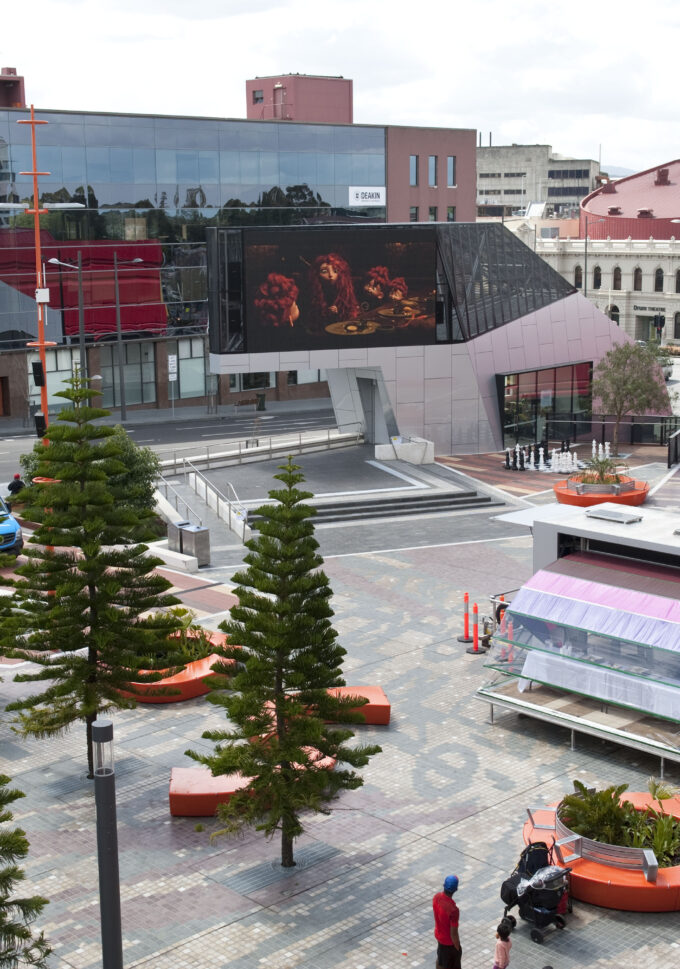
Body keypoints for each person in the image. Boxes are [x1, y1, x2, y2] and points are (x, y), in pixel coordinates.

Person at [309, 252, 359, 324]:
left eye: (335, 271)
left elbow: (350, 312)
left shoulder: (345, 291)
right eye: (324, 271)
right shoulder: (315, 293)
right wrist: (326, 313)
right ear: (317, 275)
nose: (331, 275)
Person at [432, 874, 461, 969]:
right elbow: (454, 934)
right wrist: (458, 947)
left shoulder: (436, 898)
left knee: (441, 960)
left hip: (439, 937)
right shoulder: (453, 910)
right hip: (449, 943)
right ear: (455, 889)